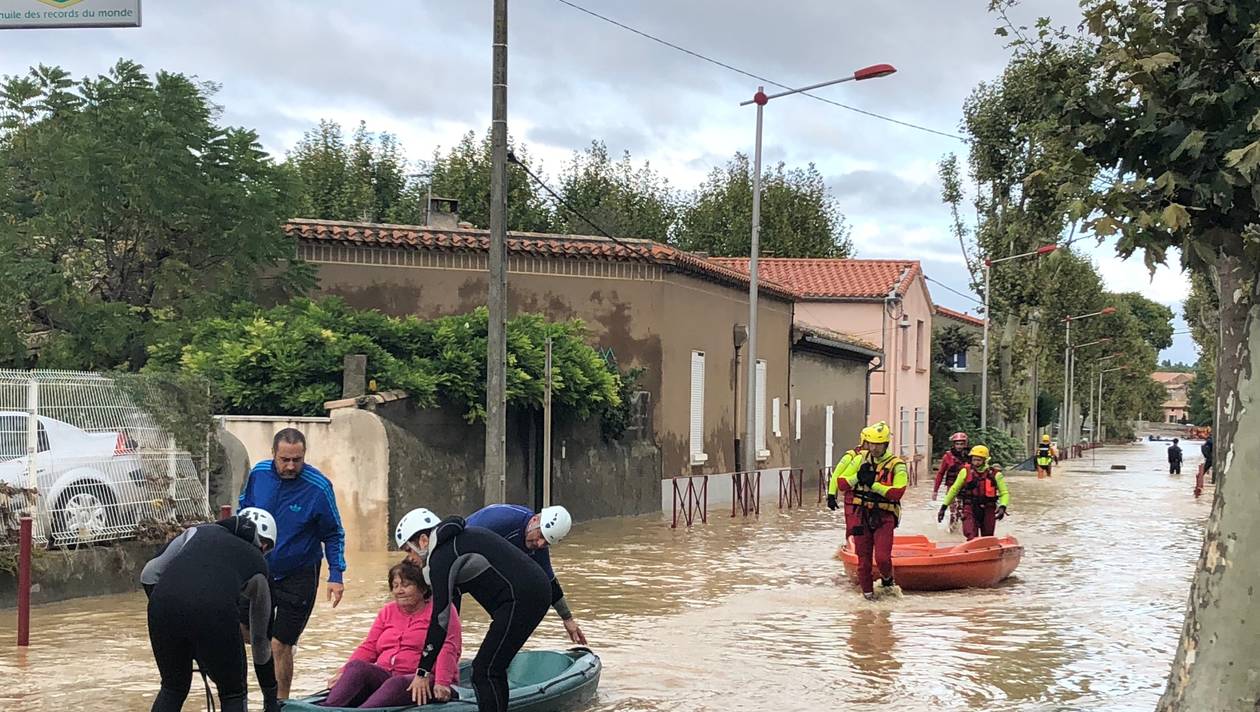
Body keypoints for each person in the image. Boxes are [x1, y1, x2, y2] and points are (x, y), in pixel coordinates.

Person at [396, 508, 552, 712]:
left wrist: (422, 671)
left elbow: (440, 619)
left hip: (524, 598)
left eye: (409, 550)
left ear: (423, 541)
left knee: (484, 671)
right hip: (530, 594)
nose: (409, 559)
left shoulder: (440, 557)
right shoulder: (455, 541)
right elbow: (451, 611)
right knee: (492, 667)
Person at [238, 428, 348, 700]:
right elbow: (244, 510)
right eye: (284, 459)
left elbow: (334, 533)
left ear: (304, 456)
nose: (290, 466)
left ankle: (280, 703)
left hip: (299, 572)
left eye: (296, 460)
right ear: (273, 454)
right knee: (241, 631)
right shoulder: (258, 474)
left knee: (279, 645)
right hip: (259, 569)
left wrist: (336, 575)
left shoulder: (319, 487)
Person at [141, 512, 281, 712]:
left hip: (162, 604)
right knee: (233, 692)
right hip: (215, 612)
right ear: (264, 546)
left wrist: (180, 620)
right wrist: (271, 699)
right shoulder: (260, 567)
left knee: (173, 687)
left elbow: (148, 574)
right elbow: (260, 642)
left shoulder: (197, 531)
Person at [320, 560, 462, 708]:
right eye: (395, 586)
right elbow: (369, 646)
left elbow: (448, 647)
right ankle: (327, 708)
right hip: (386, 675)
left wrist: (442, 683)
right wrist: (343, 673)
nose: (399, 591)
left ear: (422, 588)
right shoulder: (388, 611)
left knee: (396, 683)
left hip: (423, 679)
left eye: (406, 585)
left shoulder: (442, 610)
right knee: (356, 667)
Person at [465, 504, 588, 645]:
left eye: (546, 543)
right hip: (456, 563)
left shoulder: (538, 546)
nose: (540, 544)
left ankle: (492, 661)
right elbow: (460, 541)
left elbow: (550, 581)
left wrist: (568, 619)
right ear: (535, 520)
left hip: (479, 571)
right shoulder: (503, 520)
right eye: (540, 535)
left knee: (512, 617)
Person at [835, 421, 909, 601]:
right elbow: (842, 483)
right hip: (861, 514)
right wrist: (858, 477)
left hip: (884, 516)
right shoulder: (860, 459)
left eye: (878, 444)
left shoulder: (897, 465)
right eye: (872, 444)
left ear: (885, 444)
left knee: (883, 557)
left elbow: (897, 492)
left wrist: (874, 485)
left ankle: (887, 580)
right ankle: (868, 599)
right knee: (863, 561)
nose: (874, 448)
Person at [939, 445, 1010, 540]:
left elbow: (1004, 493)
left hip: (988, 508)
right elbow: (954, 490)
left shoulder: (995, 475)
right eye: (974, 459)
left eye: (979, 460)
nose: (976, 462)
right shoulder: (965, 472)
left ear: (985, 460)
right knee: (970, 534)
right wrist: (943, 507)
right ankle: (970, 547)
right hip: (970, 507)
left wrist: (1002, 506)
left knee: (987, 536)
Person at [932, 432, 970, 531]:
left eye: (962, 444)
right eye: (957, 444)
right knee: (954, 511)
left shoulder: (970, 456)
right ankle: (953, 531)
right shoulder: (947, 457)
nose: (959, 446)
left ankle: (965, 531)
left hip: (966, 488)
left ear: (965, 444)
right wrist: (935, 490)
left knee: (966, 511)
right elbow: (940, 473)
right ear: (954, 444)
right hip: (952, 488)